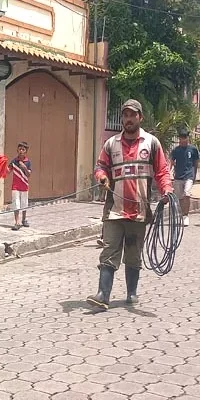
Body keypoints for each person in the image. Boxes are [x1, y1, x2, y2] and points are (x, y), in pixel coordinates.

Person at [86, 99, 173, 311]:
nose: (128, 119)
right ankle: (103, 295)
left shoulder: (151, 143)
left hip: (139, 211)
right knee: (109, 251)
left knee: (133, 255)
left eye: (132, 115)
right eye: (125, 115)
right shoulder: (111, 144)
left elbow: (161, 171)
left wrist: (167, 190)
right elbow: (100, 167)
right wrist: (101, 177)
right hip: (114, 210)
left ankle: (131, 293)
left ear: (140, 118)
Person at [170, 130, 199, 226]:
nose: (183, 140)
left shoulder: (193, 149)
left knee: (187, 194)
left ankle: (186, 215)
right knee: (179, 198)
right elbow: (171, 162)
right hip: (178, 176)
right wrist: (169, 173)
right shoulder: (176, 150)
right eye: (181, 138)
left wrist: (194, 175)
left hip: (189, 176)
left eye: (185, 138)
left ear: (188, 138)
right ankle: (181, 214)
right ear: (179, 139)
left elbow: (196, 163)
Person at [8, 142, 32, 231]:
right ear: (17, 150)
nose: (21, 151)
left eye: (23, 149)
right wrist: (0, 168)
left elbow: (29, 174)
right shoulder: (14, 161)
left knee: (24, 204)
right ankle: (17, 222)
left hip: (24, 186)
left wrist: (24, 167)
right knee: (16, 204)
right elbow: (8, 170)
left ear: (26, 151)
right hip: (15, 186)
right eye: (20, 149)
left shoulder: (28, 162)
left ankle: (24, 219)